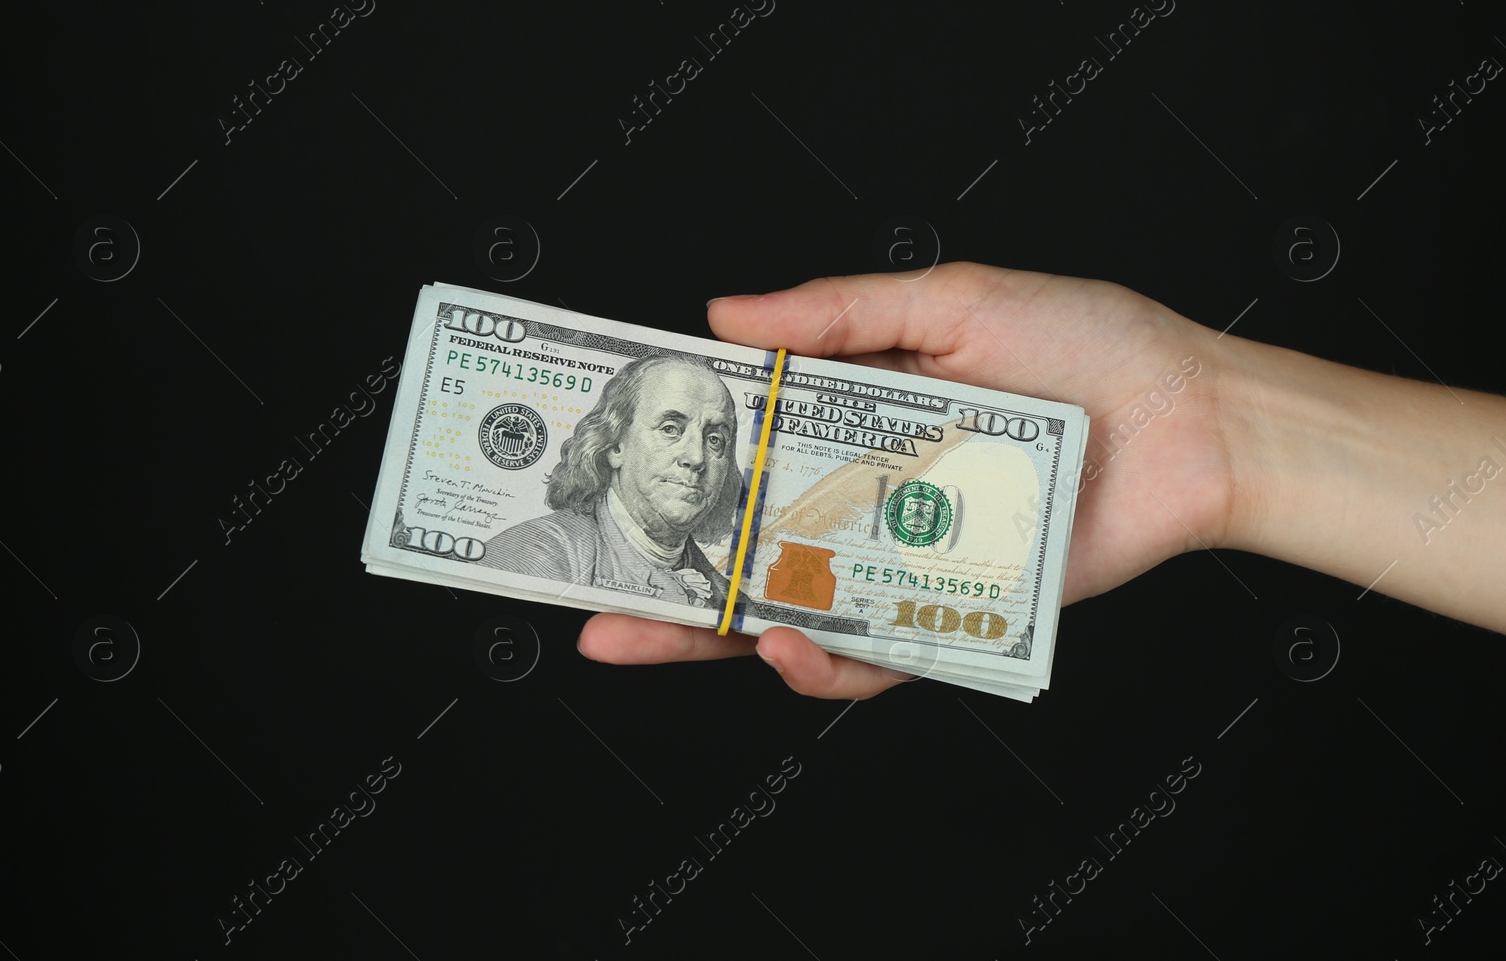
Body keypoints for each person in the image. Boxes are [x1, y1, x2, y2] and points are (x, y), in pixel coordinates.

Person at [577, 261, 1506, 698]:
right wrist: (1218, 428)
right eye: (671, 426)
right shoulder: (558, 548)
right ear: (612, 446)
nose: (704, 454)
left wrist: (1219, 430)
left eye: (718, 431)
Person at [484, 354, 742, 609]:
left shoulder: (734, 605)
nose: (697, 457)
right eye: (670, 429)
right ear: (616, 445)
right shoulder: (533, 556)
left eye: (714, 440)